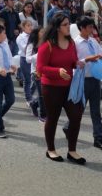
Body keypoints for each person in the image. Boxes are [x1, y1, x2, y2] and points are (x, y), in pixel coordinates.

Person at [37, 14, 86, 164]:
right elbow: (40, 68)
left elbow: (72, 61)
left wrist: (77, 63)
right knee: (53, 118)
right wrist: (57, 71)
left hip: (69, 87)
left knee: (76, 116)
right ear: (57, 27)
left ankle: (72, 151)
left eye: (68, 23)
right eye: (65, 24)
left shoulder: (71, 42)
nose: (68, 26)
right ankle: (51, 150)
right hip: (51, 87)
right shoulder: (47, 45)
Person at [70, 16, 102, 151]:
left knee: (96, 111)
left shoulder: (93, 41)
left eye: (93, 26)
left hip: (95, 79)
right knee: (79, 110)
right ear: (82, 28)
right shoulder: (75, 43)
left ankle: (99, 139)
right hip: (83, 79)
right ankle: (69, 127)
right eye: (90, 27)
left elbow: (100, 53)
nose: (92, 29)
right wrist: (87, 59)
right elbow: (74, 62)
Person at [25, 27, 45, 121]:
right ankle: (43, 115)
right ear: (37, 33)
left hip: (45, 71)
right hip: (35, 72)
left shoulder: (46, 43)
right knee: (42, 94)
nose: (43, 33)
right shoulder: (31, 45)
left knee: (45, 94)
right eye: (41, 32)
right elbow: (27, 59)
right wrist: (38, 55)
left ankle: (34, 104)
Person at [16, 19, 35, 109]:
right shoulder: (20, 37)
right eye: (28, 25)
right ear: (23, 27)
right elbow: (25, 49)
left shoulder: (33, 35)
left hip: (34, 59)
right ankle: (28, 98)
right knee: (27, 80)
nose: (30, 27)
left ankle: (30, 94)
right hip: (24, 59)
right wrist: (32, 43)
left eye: (31, 25)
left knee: (35, 79)